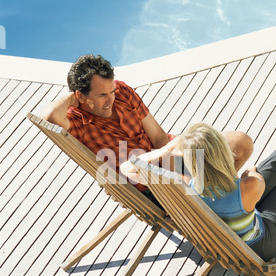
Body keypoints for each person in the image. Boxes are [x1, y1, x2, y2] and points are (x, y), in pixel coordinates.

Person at [41, 54, 253, 196]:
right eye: (102, 95)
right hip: (147, 179)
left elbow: (159, 136)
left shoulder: (122, 91)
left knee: (241, 142)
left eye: (111, 91)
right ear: (80, 95)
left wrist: (175, 152)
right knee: (208, 167)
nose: (111, 99)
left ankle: (219, 196)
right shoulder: (77, 122)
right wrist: (73, 98)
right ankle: (223, 198)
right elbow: (50, 115)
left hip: (168, 155)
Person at [122, 122, 276, 262]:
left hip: (224, 247)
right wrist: (250, 172)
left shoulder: (182, 186)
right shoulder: (250, 185)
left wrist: (166, 150)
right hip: (261, 246)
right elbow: (254, 177)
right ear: (223, 152)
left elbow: (127, 168)